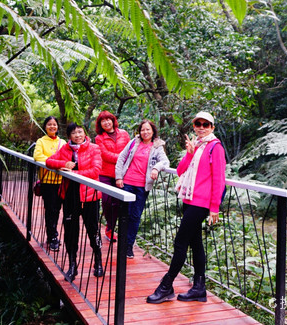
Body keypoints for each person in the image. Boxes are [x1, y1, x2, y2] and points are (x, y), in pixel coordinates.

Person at [146, 110, 226, 304]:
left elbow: (219, 179)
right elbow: (181, 171)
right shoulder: (197, 147)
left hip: (201, 203)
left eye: (205, 124)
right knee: (195, 243)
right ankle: (199, 289)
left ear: (212, 127)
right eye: (198, 124)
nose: (201, 127)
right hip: (189, 200)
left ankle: (166, 285)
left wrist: (214, 207)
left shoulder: (215, 148)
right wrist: (189, 154)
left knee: (180, 242)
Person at [46, 122, 104, 282]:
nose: (78, 135)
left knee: (93, 229)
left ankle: (98, 260)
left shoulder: (94, 148)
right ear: (69, 136)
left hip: (89, 196)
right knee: (70, 230)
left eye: (80, 132)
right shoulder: (65, 149)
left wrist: (75, 173)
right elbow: (49, 161)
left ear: (84, 133)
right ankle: (73, 265)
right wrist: (63, 164)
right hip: (70, 196)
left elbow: (96, 170)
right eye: (74, 133)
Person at [114, 119, 169, 259]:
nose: (145, 132)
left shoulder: (157, 146)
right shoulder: (134, 142)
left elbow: (165, 161)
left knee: (135, 216)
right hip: (127, 183)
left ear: (153, 131)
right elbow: (121, 158)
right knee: (124, 214)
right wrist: (118, 177)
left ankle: (128, 245)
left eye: (148, 129)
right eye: (143, 129)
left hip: (142, 186)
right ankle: (122, 242)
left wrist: (156, 168)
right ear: (139, 131)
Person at [94, 110, 130, 241]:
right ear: (100, 124)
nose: (106, 122)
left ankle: (111, 228)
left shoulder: (124, 134)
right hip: (105, 173)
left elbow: (130, 150)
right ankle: (109, 225)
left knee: (118, 203)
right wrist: (122, 158)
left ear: (113, 120)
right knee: (107, 201)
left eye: (108, 119)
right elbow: (105, 155)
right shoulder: (99, 138)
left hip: (121, 174)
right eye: (103, 121)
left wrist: (124, 159)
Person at [33, 115, 64, 250]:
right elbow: (37, 156)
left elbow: (67, 157)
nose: (52, 126)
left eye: (54, 124)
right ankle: (52, 237)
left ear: (57, 127)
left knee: (57, 209)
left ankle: (54, 235)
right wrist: (56, 163)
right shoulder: (41, 141)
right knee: (50, 209)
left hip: (62, 181)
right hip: (48, 181)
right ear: (45, 127)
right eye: (49, 124)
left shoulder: (62, 142)